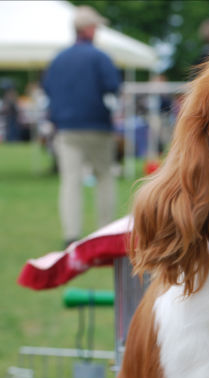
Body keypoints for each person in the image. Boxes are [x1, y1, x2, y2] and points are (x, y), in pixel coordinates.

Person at [42, 5, 121, 247]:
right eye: (95, 26)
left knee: (70, 181)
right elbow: (113, 86)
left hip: (66, 128)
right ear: (88, 29)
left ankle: (71, 235)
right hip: (97, 125)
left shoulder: (58, 58)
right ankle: (104, 230)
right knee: (105, 177)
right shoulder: (100, 56)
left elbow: (47, 88)